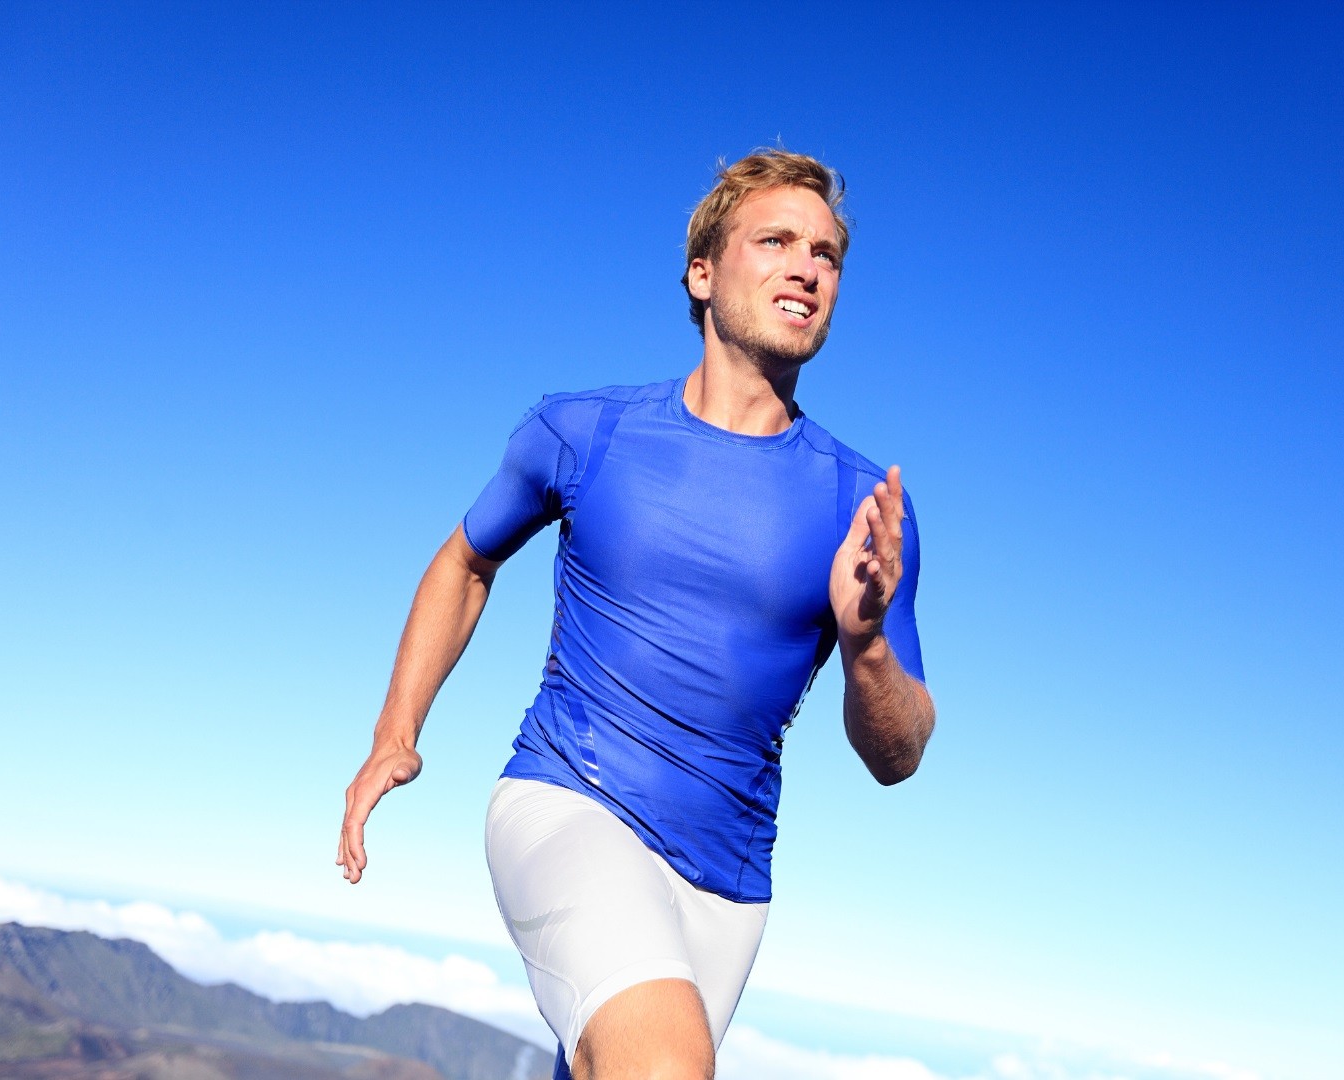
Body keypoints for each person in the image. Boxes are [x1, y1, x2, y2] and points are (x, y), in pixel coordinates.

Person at [336, 149, 935, 1080]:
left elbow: (899, 755)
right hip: (568, 800)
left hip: (728, 887)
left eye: (826, 253)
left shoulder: (863, 509)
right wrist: (395, 730)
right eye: (775, 239)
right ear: (703, 273)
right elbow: (465, 558)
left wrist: (864, 649)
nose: (807, 266)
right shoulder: (584, 430)